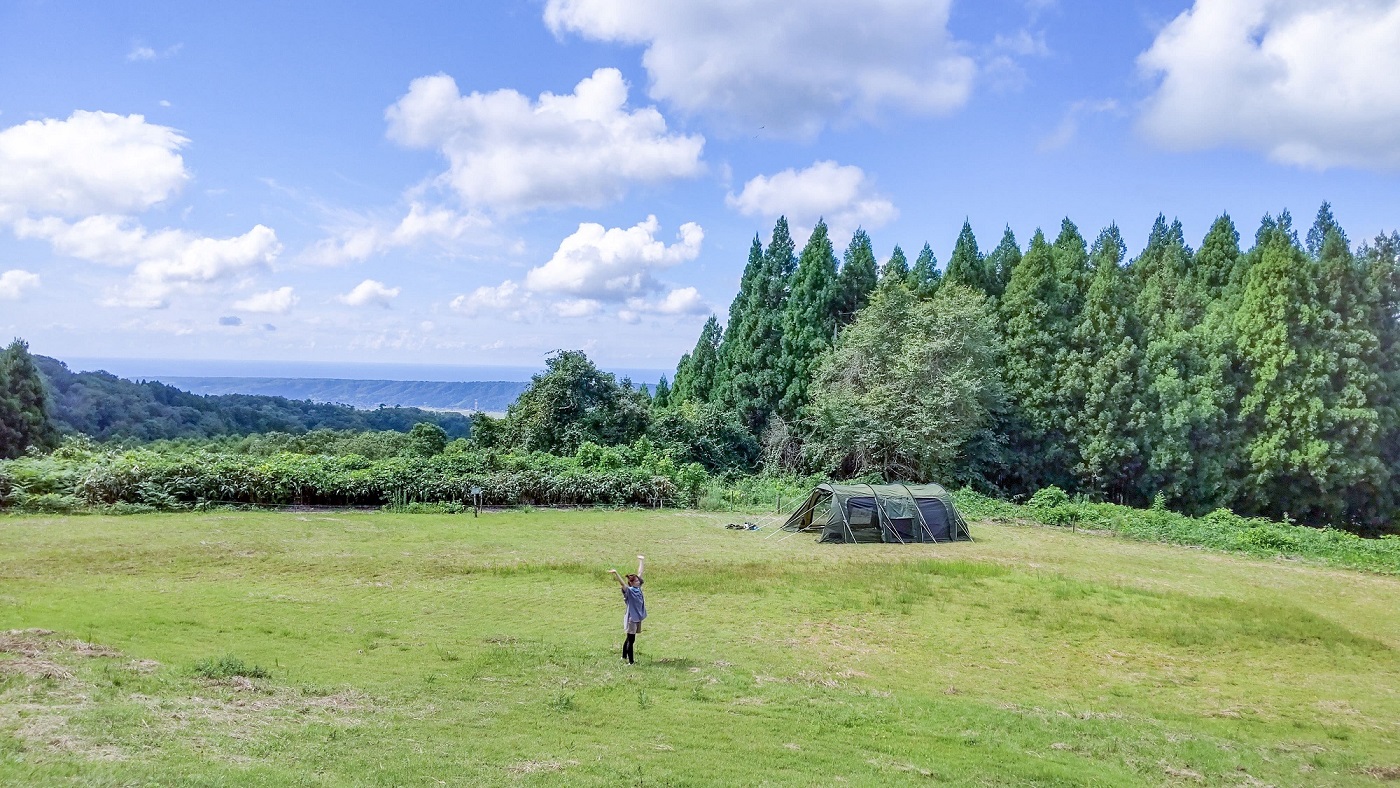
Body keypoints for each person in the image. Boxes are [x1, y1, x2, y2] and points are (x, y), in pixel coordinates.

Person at [607, 555, 646, 664]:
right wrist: (616, 573)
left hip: (637, 617)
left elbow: (640, 573)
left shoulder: (638, 588)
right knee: (631, 639)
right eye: (637, 581)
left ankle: (624, 656)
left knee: (629, 638)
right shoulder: (629, 591)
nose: (639, 581)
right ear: (632, 583)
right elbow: (622, 584)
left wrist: (641, 561)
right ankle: (631, 662)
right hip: (631, 618)